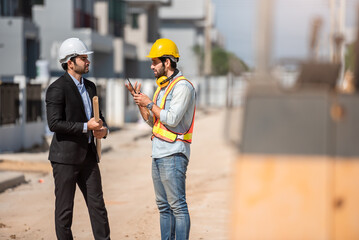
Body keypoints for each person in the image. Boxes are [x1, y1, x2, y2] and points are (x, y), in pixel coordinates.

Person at [125, 38, 196, 240]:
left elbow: (172, 119)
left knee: (178, 207)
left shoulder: (183, 87)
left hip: (174, 154)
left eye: (155, 61)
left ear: (167, 62)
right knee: (164, 208)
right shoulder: (162, 88)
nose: (151, 66)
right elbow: (152, 121)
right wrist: (140, 101)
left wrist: (149, 103)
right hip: (158, 154)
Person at [46, 37, 110, 240]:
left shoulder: (91, 86)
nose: (88, 61)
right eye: (84, 58)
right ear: (70, 62)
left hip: (89, 158)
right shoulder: (57, 88)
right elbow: (54, 124)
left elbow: (100, 119)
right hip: (64, 159)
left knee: (98, 207)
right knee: (65, 213)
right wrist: (85, 127)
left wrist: (103, 130)